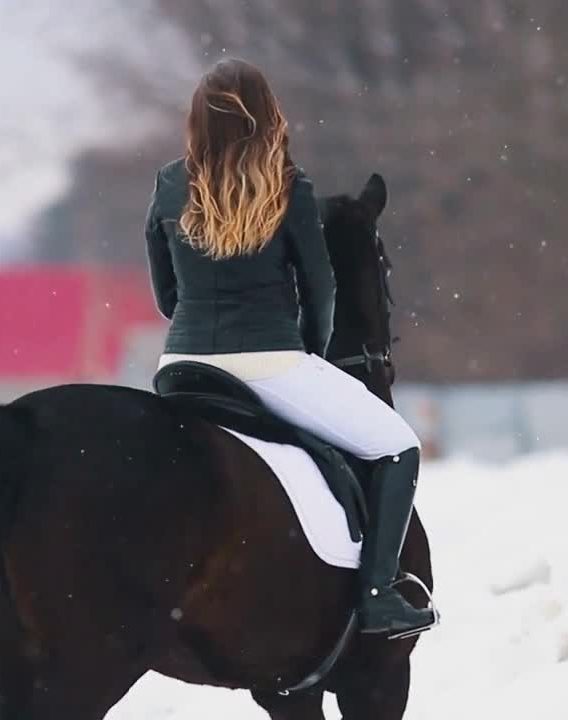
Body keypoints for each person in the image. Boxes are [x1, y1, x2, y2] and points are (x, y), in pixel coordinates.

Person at [143, 58, 436, 638]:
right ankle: (378, 595)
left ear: (198, 120)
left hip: (179, 366)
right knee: (399, 447)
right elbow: (320, 291)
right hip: (271, 362)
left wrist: (199, 330)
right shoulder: (289, 185)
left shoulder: (170, 183)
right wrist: (307, 352)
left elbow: (165, 294)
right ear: (266, 115)